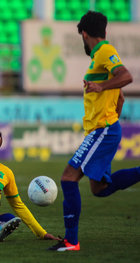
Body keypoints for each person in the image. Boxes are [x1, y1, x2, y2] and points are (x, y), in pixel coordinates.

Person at [48, 11, 140, 252]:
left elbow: (126, 77)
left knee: (68, 177)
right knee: (99, 189)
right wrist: (113, 114)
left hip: (103, 130)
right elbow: (119, 95)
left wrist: (101, 87)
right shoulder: (101, 56)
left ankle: (70, 241)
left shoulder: (104, 52)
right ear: (105, 31)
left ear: (84, 34)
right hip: (105, 129)